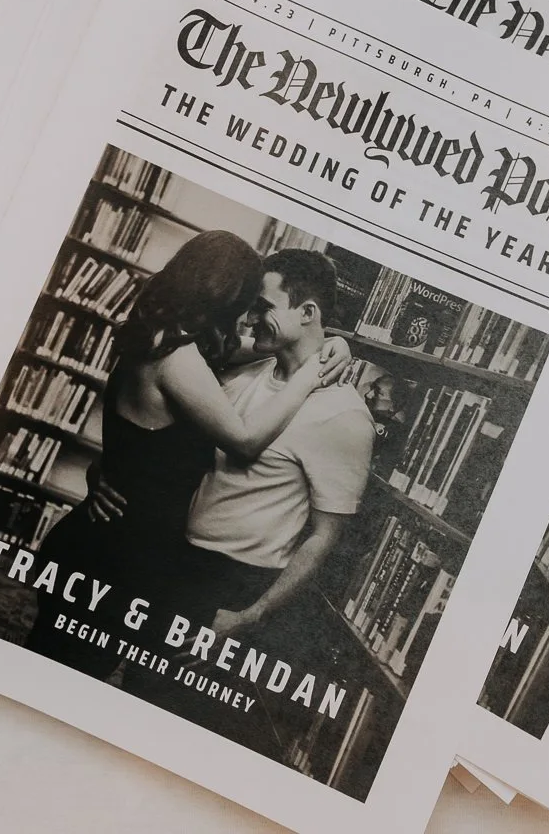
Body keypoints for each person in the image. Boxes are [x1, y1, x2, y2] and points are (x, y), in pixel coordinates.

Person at [22, 231, 347, 678]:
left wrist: (339, 344)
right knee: (60, 679)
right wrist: (310, 375)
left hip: (111, 543)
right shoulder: (178, 359)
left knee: (60, 673)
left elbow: (280, 344)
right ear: (224, 294)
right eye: (248, 301)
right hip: (112, 556)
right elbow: (246, 441)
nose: (250, 318)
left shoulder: (172, 341)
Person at [117, 249, 375, 751]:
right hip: (177, 564)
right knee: (137, 701)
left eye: (263, 304)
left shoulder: (343, 416)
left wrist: (250, 616)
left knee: (186, 731)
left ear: (308, 313)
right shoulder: (245, 373)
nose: (250, 316)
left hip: (234, 588)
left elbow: (326, 537)